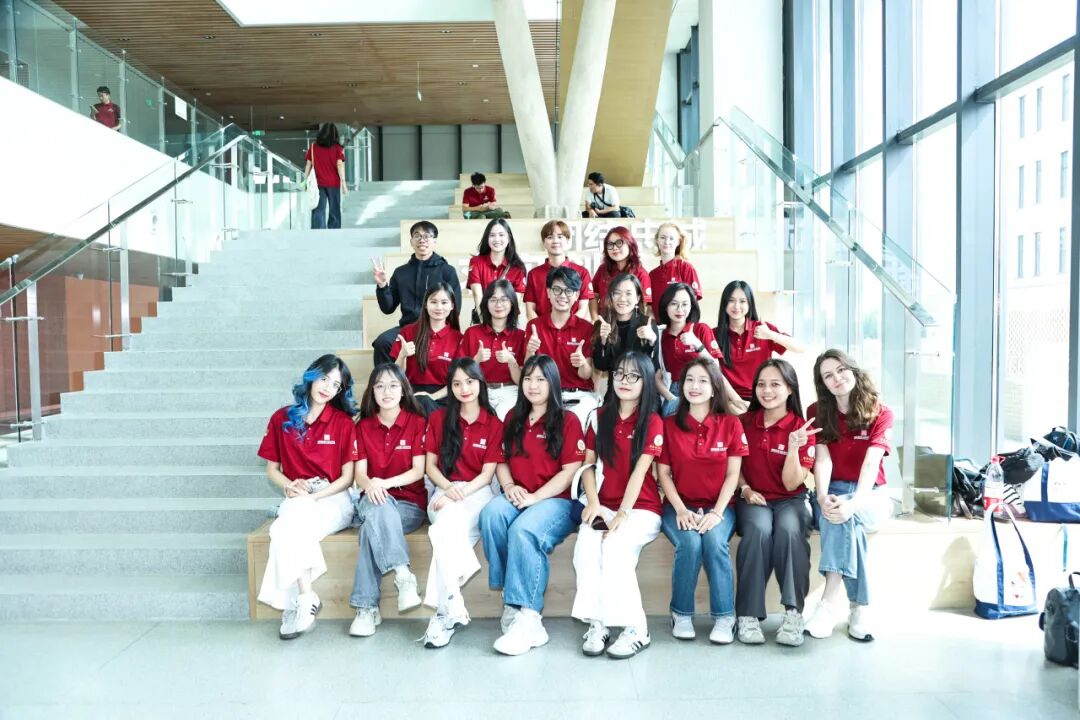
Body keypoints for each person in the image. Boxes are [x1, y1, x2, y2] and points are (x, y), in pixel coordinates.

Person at [480, 355, 586, 655]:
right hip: (519, 494)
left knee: (523, 530)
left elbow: (570, 472)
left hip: (556, 501)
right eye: (528, 378)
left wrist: (536, 497)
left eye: (540, 379)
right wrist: (510, 487)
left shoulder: (568, 420)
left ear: (553, 383)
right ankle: (512, 601)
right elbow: (500, 460)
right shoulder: (512, 417)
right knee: (491, 514)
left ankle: (529, 616)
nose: (533, 385)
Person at [256, 354, 359, 640]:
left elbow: (347, 479)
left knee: (283, 528)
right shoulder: (282, 418)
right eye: (324, 379)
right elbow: (272, 470)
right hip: (298, 497)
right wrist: (290, 486)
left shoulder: (343, 423)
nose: (328, 387)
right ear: (311, 376)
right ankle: (305, 597)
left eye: (336, 385)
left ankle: (294, 604)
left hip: (334, 497)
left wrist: (315, 496)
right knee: (290, 525)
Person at [572, 351, 664, 659]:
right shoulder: (598, 417)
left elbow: (640, 472)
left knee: (615, 546)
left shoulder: (652, 421)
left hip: (641, 508)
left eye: (633, 375)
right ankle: (598, 622)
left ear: (646, 382)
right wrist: (594, 504)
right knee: (586, 545)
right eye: (620, 374)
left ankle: (637, 628)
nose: (624, 381)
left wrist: (622, 514)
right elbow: (587, 466)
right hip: (604, 504)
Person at [804, 349, 893, 643]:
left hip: (871, 494)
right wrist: (822, 497)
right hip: (833, 490)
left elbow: (871, 463)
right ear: (823, 383)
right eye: (828, 375)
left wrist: (854, 503)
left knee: (846, 515)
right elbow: (823, 459)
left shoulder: (881, 411)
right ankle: (859, 607)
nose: (837, 378)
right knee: (841, 517)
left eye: (841, 370)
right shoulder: (816, 411)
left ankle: (828, 605)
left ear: (853, 371)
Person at [657, 359, 747, 645]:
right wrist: (681, 509)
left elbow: (733, 475)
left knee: (714, 541)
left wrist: (717, 513)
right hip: (678, 506)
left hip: (719, 507)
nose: (694, 386)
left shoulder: (731, 424)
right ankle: (681, 613)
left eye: (703, 381)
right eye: (689, 380)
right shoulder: (669, 425)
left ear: (714, 388)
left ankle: (725, 617)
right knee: (690, 543)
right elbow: (663, 474)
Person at [421, 359, 505, 648]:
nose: (463, 388)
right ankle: (453, 602)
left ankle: (443, 613)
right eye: (456, 383)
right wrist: (448, 488)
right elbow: (430, 467)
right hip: (443, 490)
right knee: (447, 525)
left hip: (478, 492)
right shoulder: (438, 419)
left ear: (480, 383)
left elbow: (487, 474)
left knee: (443, 533)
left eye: (469, 381)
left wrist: (462, 491)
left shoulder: (493, 423)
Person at [735, 359, 816, 647]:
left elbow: (792, 483)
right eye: (761, 384)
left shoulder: (802, 428)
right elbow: (733, 466)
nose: (767, 391)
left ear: (790, 389)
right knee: (758, 531)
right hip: (753, 497)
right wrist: (745, 488)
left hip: (790, 499)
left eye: (775, 384)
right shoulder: (743, 422)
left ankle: (793, 614)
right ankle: (747, 614)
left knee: (790, 531)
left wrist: (793, 447)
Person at [348, 364, 429, 637]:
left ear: (403, 390)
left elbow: (418, 471)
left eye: (393, 385)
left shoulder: (417, 423)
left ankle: (366, 609)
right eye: (380, 385)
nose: (387, 391)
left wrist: (385, 483)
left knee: (368, 532)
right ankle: (403, 576)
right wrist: (371, 485)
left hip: (409, 504)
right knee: (377, 507)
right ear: (372, 391)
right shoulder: (363, 426)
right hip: (371, 499)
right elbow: (359, 474)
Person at [372, 220, 462, 365]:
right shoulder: (401, 272)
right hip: (407, 328)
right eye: (417, 236)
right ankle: (388, 379)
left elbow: (455, 306)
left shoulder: (447, 271)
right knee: (383, 342)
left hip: (436, 327)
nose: (422, 240)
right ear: (411, 241)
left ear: (434, 241)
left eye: (427, 236)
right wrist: (382, 285)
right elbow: (387, 308)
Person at [523, 265, 598, 429]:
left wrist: (582, 363)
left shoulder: (586, 328)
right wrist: (530, 350)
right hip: (545, 395)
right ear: (548, 293)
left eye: (569, 291)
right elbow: (528, 370)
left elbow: (586, 374)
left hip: (579, 395)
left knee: (575, 423)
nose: (562, 295)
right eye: (557, 289)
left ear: (577, 295)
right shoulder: (534, 326)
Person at [656, 283, 741, 417]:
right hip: (674, 391)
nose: (680, 309)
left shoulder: (701, 329)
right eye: (674, 304)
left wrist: (697, 344)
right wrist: (672, 398)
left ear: (692, 306)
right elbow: (657, 377)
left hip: (702, 388)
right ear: (666, 306)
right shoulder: (660, 335)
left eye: (685, 304)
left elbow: (715, 367)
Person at [715, 280, 804, 402]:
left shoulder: (762, 329)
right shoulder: (714, 334)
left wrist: (771, 335)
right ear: (724, 303)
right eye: (731, 300)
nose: (736, 306)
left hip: (762, 397)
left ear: (749, 304)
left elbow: (800, 348)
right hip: (730, 399)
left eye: (742, 301)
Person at [390, 283, 463, 415]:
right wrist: (402, 355)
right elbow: (395, 375)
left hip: (443, 398)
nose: (439, 307)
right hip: (411, 395)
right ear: (425, 304)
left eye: (444, 302)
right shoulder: (408, 332)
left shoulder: (458, 338)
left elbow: (458, 380)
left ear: (452, 306)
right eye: (433, 302)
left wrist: (432, 397)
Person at [458, 279, 526, 419]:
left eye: (504, 299)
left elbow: (521, 381)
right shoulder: (472, 333)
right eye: (493, 300)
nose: (498, 305)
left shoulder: (520, 336)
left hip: (509, 392)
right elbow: (459, 375)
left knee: (502, 416)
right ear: (486, 303)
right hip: (479, 391)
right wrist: (476, 360)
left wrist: (511, 361)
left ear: (512, 303)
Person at [591, 273, 660, 402]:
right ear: (611, 297)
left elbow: (654, 368)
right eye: (617, 293)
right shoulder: (603, 324)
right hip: (615, 392)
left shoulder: (647, 324)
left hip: (643, 393)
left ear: (637, 298)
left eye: (628, 294)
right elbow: (601, 366)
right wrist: (603, 340)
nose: (622, 298)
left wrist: (652, 342)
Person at [523, 220, 593, 320]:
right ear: (543, 242)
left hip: (573, 328)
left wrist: (569, 327)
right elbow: (530, 309)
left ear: (567, 240)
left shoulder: (582, 272)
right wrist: (541, 328)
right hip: (541, 329)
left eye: (560, 237)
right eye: (550, 237)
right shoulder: (533, 274)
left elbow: (583, 308)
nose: (555, 241)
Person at [466, 218, 527, 315]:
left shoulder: (518, 267)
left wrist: (503, 322)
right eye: (492, 235)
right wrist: (485, 322)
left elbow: (516, 302)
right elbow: (477, 295)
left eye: (501, 235)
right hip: (483, 318)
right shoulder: (476, 262)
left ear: (509, 238)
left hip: (507, 321)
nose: (497, 239)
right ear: (487, 238)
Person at [590, 226, 653, 317]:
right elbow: (593, 295)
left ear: (630, 244)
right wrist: (595, 319)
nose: (614, 248)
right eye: (610, 244)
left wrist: (636, 322)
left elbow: (644, 305)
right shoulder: (603, 269)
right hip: (604, 321)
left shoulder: (640, 273)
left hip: (629, 322)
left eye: (619, 243)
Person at [648, 222, 702, 318]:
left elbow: (693, 304)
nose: (666, 242)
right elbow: (650, 308)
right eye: (663, 237)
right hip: (658, 326)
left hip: (681, 325)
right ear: (657, 240)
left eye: (671, 238)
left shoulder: (686, 268)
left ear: (678, 242)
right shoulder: (652, 275)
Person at [304, 123, 348, 230]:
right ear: (335, 134)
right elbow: (339, 164)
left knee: (318, 208)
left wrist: (305, 180)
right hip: (334, 183)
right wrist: (343, 183)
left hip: (318, 183)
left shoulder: (313, 147)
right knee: (334, 209)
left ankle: (318, 231)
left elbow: (308, 164)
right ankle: (334, 230)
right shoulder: (337, 148)